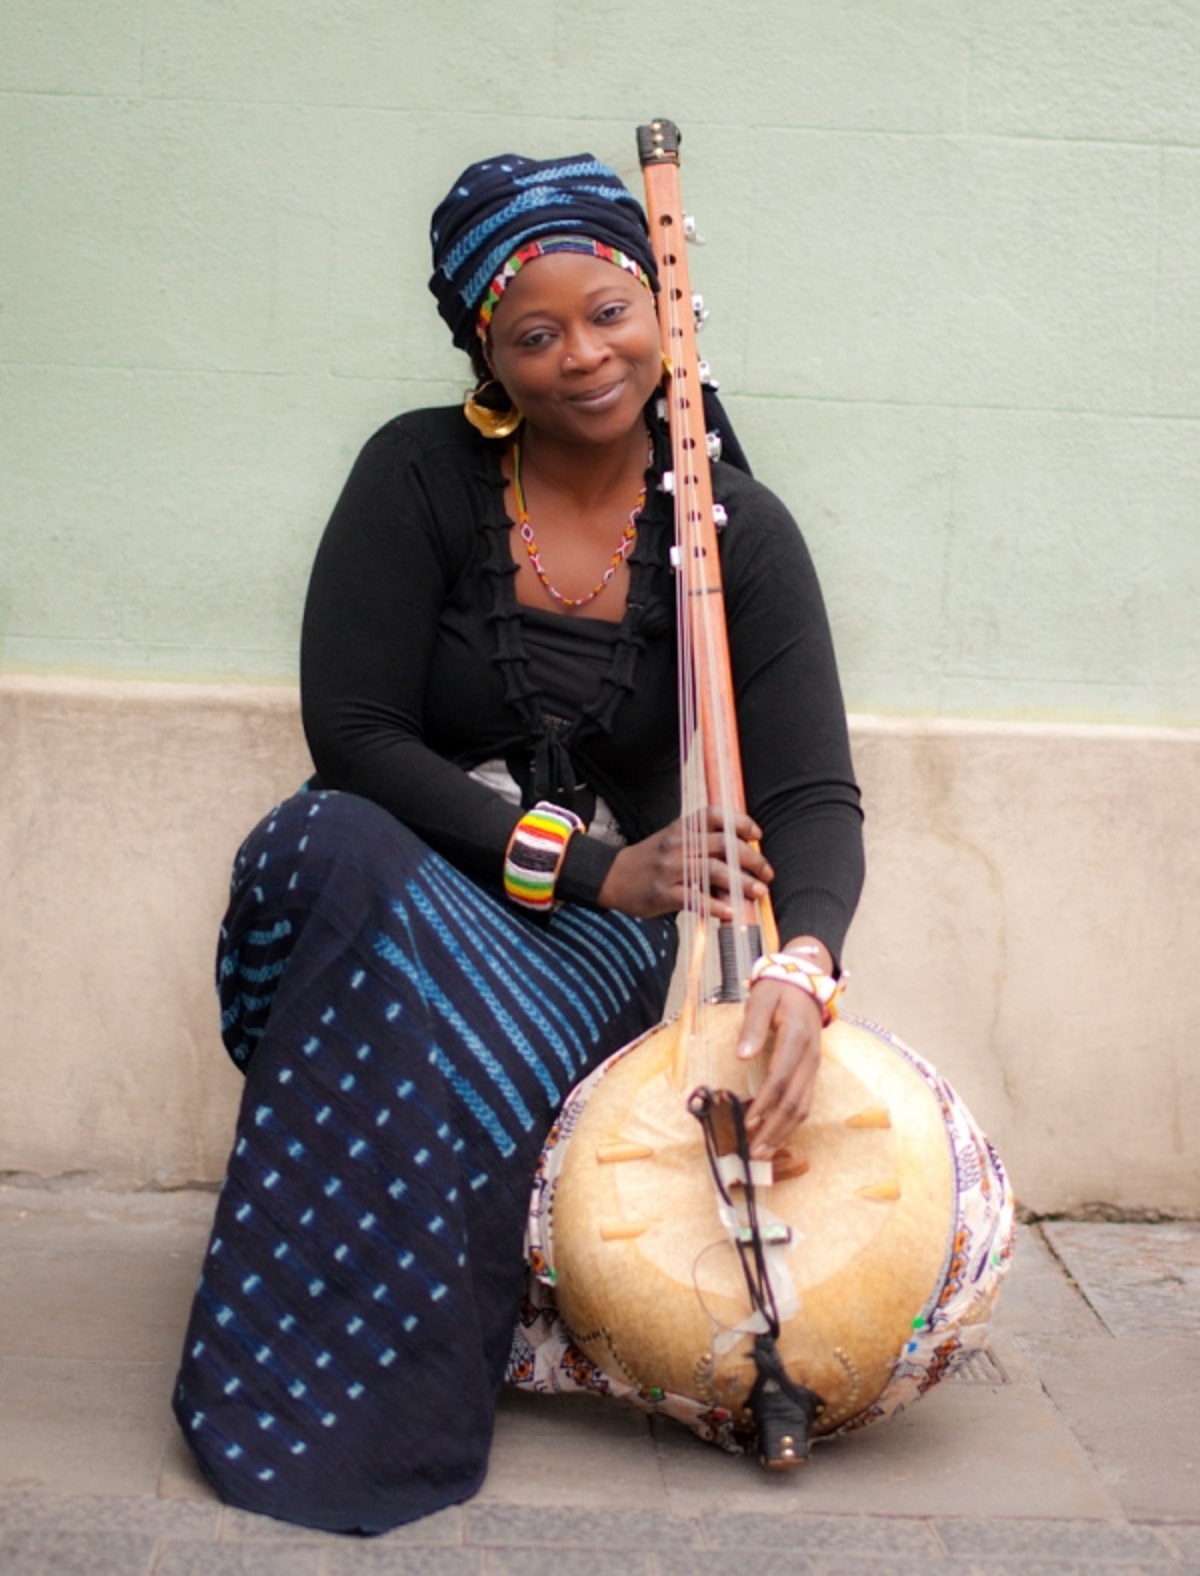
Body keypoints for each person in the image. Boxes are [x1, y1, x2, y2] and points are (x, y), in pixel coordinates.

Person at [172, 151, 865, 1535]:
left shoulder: (735, 533)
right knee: (322, 847)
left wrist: (800, 968)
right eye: (534, 333)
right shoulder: (418, 475)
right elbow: (355, 735)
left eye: (609, 312)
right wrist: (591, 859)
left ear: (665, 310)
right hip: (434, 865)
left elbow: (814, 798)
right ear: (484, 347)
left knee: (425, 975)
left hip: (589, 946)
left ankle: (409, 1376)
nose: (583, 358)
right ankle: (287, 1347)